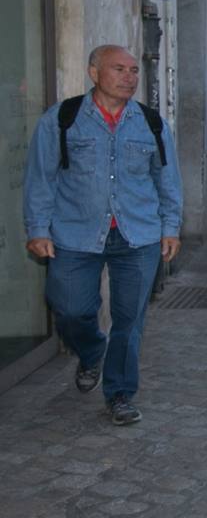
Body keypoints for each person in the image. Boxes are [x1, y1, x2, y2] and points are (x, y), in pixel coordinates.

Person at [22, 44, 183, 426]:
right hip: (75, 234)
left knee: (130, 321)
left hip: (138, 236)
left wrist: (170, 226)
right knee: (69, 307)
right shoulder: (61, 119)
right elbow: (41, 179)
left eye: (133, 70)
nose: (129, 77)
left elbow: (168, 180)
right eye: (119, 69)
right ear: (93, 72)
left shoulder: (151, 123)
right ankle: (92, 350)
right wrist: (37, 229)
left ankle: (120, 393)